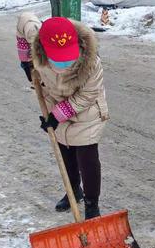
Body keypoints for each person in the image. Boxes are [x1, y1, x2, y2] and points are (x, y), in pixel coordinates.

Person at [31, 17, 109, 220]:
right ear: (44, 49)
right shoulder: (39, 56)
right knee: (65, 153)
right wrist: (24, 58)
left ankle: (92, 204)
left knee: (87, 157)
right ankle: (74, 191)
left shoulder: (91, 61)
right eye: (58, 57)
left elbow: (88, 95)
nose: (64, 62)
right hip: (57, 107)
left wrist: (57, 115)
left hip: (87, 111)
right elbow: (24, 21)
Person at [16, 12, 42, 82]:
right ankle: (30, 77)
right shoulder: (31, 34)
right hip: (23, 30)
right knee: (24, 59)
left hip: (30, 23)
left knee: (39, 55)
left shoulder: (41, 31)